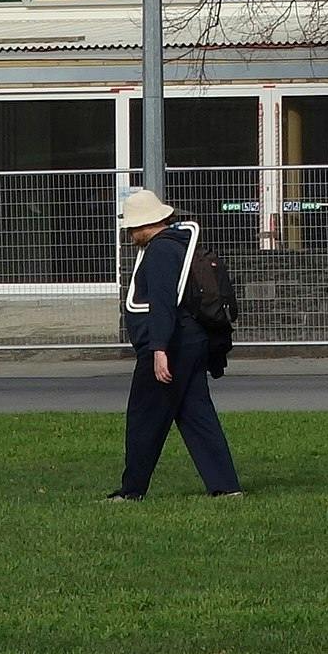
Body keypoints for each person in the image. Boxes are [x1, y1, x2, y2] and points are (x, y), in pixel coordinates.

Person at [110, 185, 240, 501]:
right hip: (191, 342)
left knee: (144, 418)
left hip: (173, 345)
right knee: (197, 416)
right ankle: (225, 486)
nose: (129, 236)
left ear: (145, 225)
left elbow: (163, 303)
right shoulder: (179, 245)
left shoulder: (160, 252)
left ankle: (131, 491)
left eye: (131, 229)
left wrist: (158, 350)